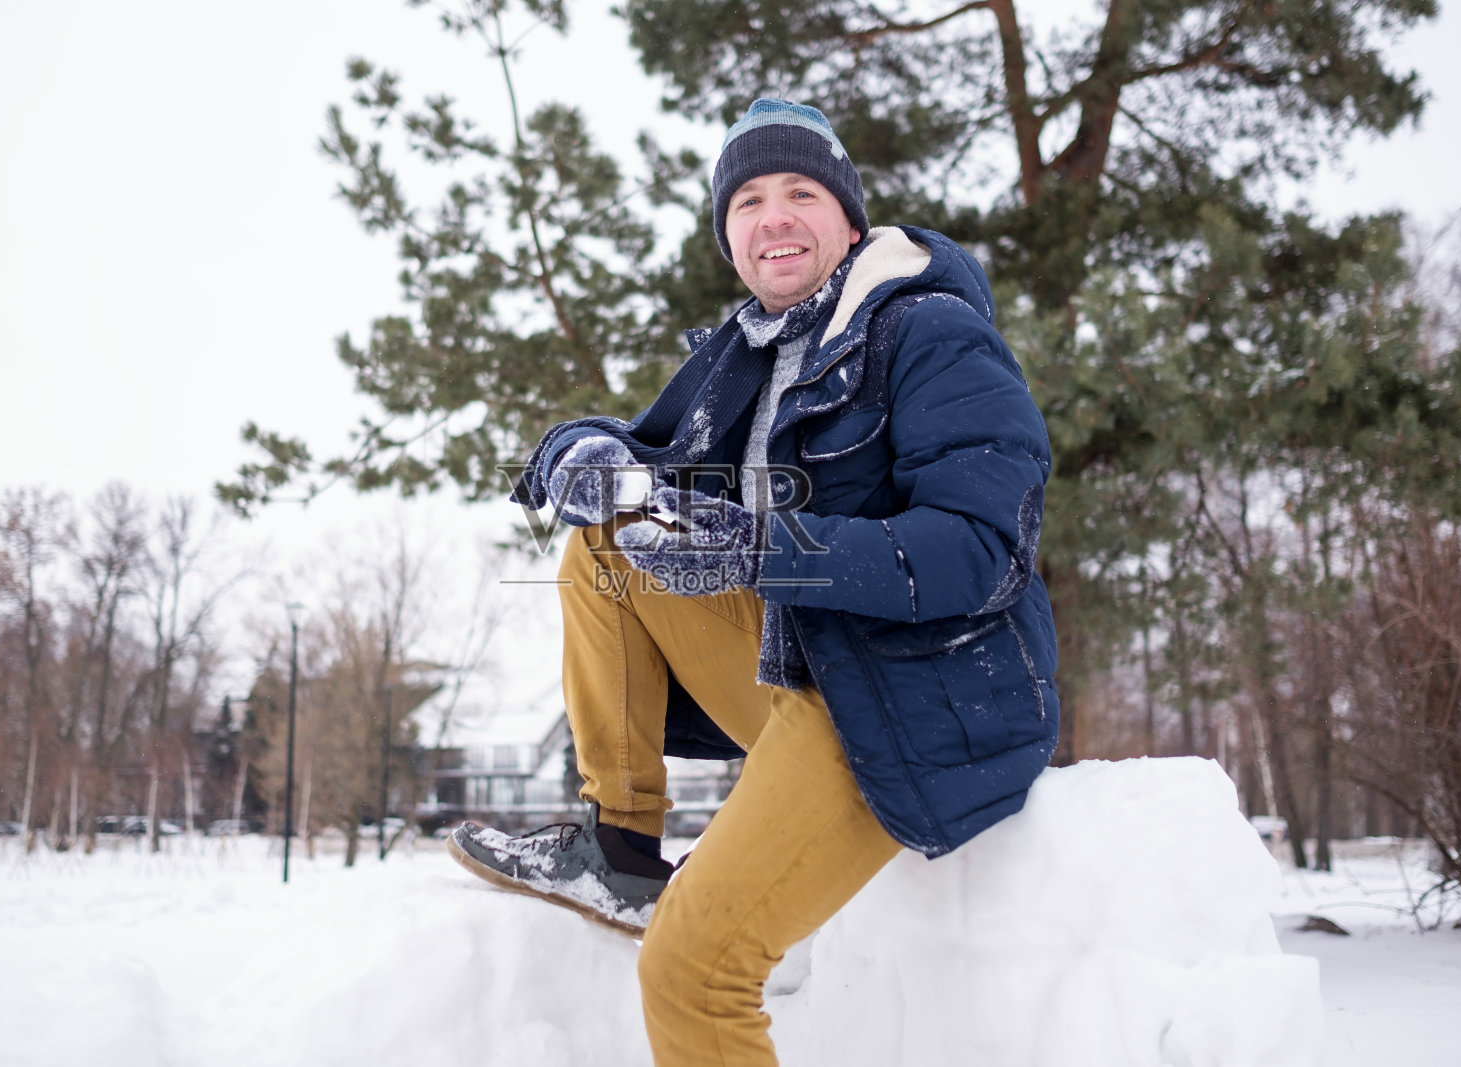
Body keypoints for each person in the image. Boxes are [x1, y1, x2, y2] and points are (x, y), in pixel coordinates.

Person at [449, 98, 1059, 1066]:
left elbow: (979, 549)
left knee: (693, 974)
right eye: (748, 201)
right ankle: (619, 846)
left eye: (800, 193)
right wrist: (575, 452)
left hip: (912, 696)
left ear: (848, 222)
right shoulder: (749, 352)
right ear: (729, 236)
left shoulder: (929, 332)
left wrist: (761, 547)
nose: (773, 216)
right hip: (805, 661)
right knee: (610, 536)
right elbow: (636, 455)